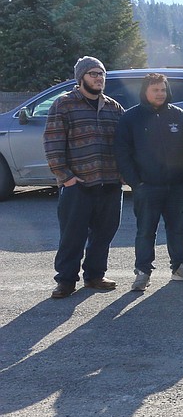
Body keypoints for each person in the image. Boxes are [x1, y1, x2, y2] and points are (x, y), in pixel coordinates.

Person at [45, 56, 125, 299]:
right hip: (78, 185)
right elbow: (53, 144)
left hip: (110, 183)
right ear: (81, 78)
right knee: (72, 236)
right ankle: (66, 280)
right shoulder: (64, 105)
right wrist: (65, 177)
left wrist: (123, 175)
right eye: (93, 74)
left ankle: (95, 275)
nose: (99, 78)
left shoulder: (114, 107)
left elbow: (124, 145)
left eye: (101, 74)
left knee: (104, 233)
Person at [114, 72, 183, 291]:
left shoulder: (179, 115)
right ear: (145, 91)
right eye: (155, 90)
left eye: (163, 89)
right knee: (145, 231)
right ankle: (143, 272)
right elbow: (122, 153)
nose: (160, 94)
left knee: (177, 229)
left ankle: (180, 267)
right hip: (147, 187)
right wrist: (136, 183)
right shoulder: (130, 118)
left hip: (179, 186)